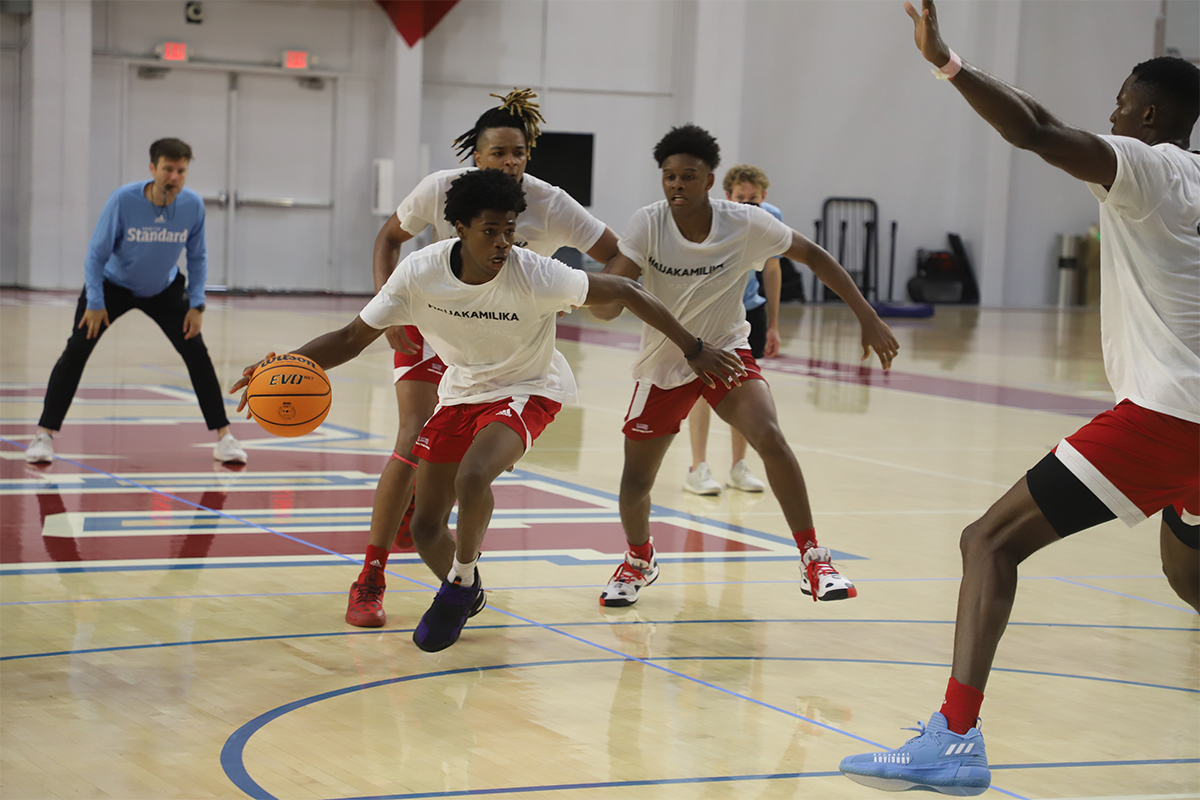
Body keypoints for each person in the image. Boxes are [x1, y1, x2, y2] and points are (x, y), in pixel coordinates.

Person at [839, 3, 1199, 794]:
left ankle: (954, 740)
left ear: (1149, 114)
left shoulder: (1153, 166)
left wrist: (947, 63)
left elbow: (1034, 130)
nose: (1108, 116)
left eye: (1118, 105)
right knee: (1189, 575)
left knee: (988, 542)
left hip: (1170, 415)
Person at [233, 169, 745, 652]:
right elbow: (350, 338)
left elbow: (626, 289)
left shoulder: (535, 273)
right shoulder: (420, 272)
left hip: (531, 386)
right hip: (461, 392)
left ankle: (458, 582)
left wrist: (694, 348)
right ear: (459, 228)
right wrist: (283, 363)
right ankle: (471, 587)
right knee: (425, 527)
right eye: (490, 231)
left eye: (509, 230)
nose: (503, 242)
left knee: (474, 475)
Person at [592, 124, 899, 608]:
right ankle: (638, 559)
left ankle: (814, 559)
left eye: (688, 176)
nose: (676, 184)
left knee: (771, 437)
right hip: (666, 362)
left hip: (726, 350)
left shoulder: (744, 223)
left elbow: (814, 255)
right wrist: (593, 295)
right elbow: (613, 300)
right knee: (636, 483)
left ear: (710, 180)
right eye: (669, 176)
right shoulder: (647, 224)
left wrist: (867, 314)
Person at [346, 89, 620, 629]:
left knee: (468, 469)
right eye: (499, 154)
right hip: (437, 324)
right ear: (477, 154)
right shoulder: (441, 188)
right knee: (410, 436)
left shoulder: (550, 202)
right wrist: (391, 310)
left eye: (518, 153)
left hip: (503, 339)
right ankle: (371, 576)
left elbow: (614, 255)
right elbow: (388, 237)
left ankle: (451, 556)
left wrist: (576, 305)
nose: (510, 163)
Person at [24, 138, 245, 466]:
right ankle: (44, 435)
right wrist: (96, 302)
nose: (174, 176)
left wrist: (197, 305)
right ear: (152, 168)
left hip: (164, 289)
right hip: (113, 288)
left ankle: (224, 438)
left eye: (181, 171)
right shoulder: (123, 200)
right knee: (77, 351)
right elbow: (95, 256)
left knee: (197, 353)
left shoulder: (192, 206)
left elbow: (197, 258)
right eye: (168, 169)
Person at [683, 164, 784, 496]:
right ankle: (698, 467)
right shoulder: (713, 218)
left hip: (749, 310)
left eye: (753, 199)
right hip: (711, 312)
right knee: (702, 387)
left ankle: (738, 466)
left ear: (763, 197)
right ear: (728, 196)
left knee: (743, 388)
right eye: (741, 198)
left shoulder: (770, 218)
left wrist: (774, 324)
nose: (747, 205)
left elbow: (772, 269)